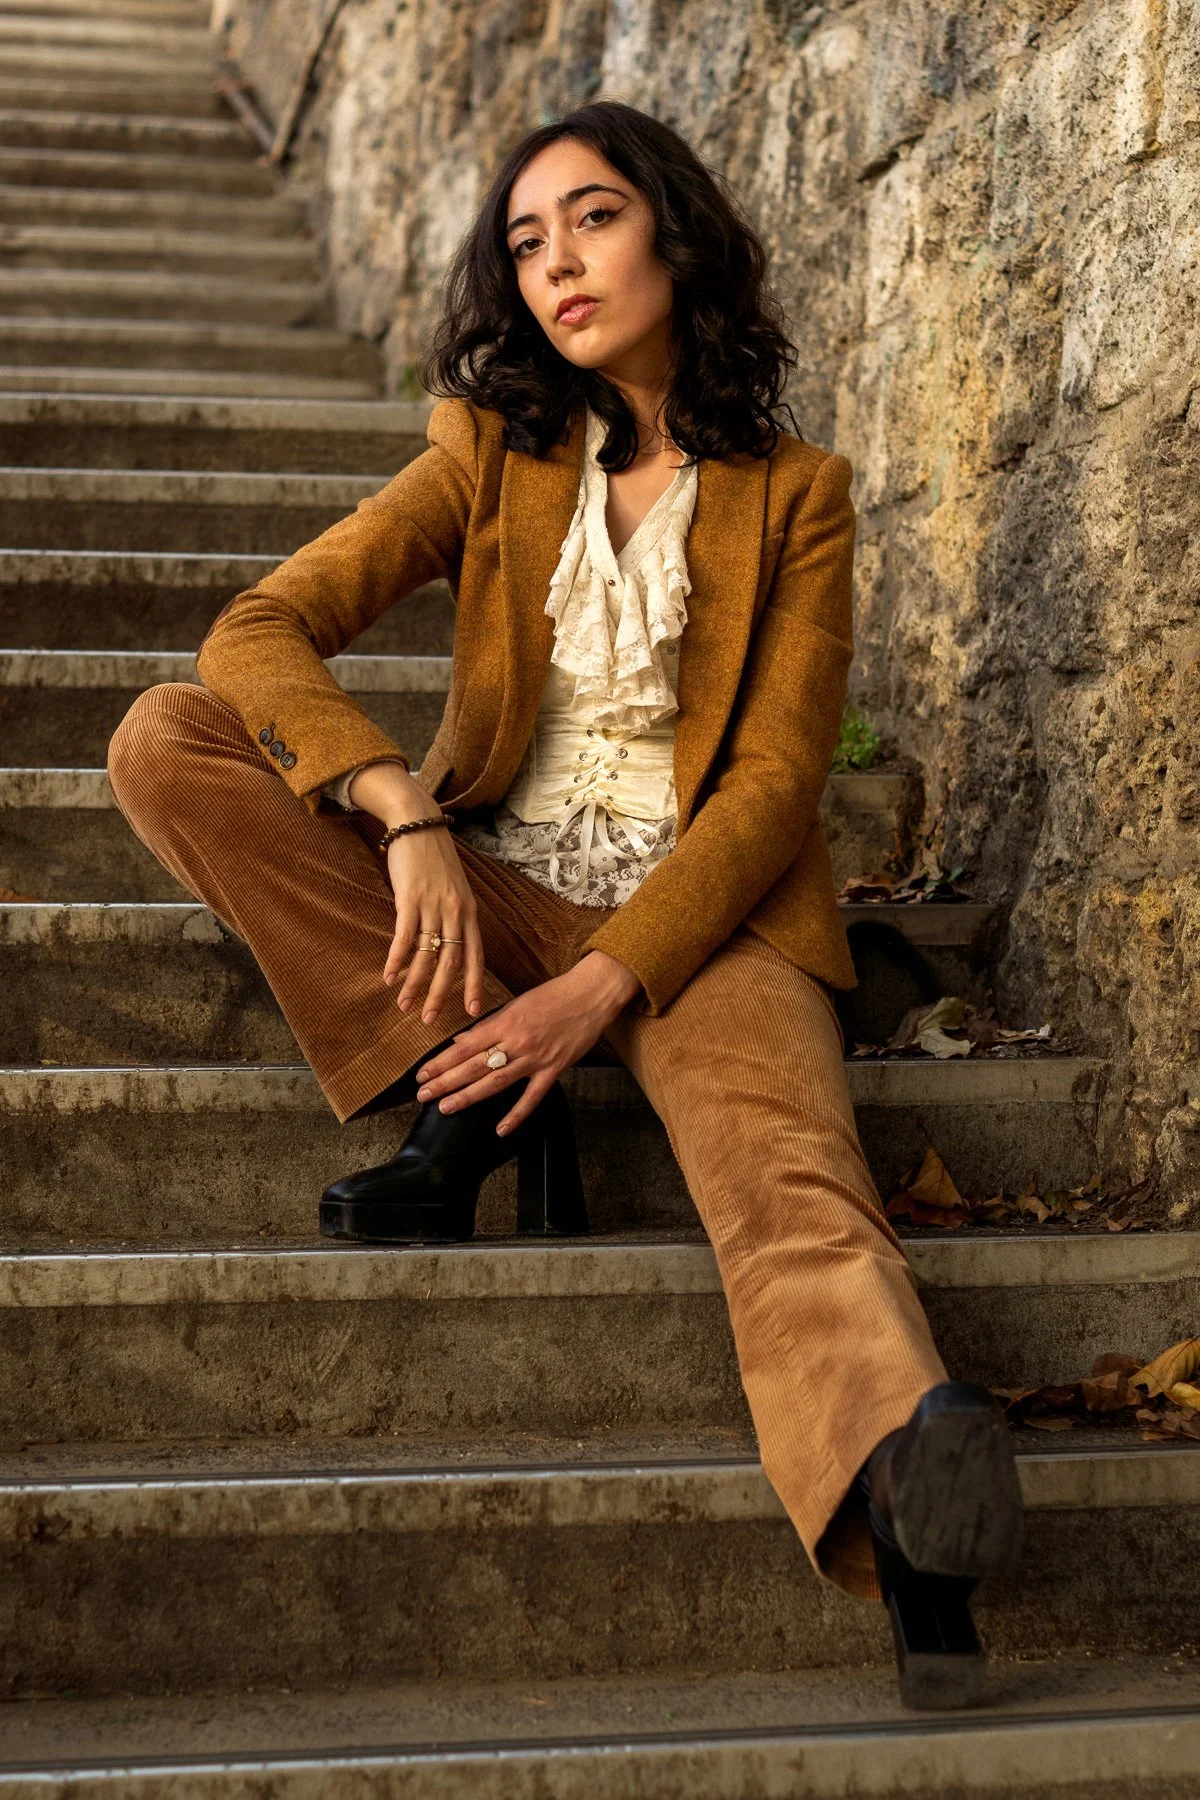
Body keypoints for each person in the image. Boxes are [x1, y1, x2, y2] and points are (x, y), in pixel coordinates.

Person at [107, 99, 1022, 1707]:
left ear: (673, 230)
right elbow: (256, 632)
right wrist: (399, 814)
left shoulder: (798, 493)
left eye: (590, 220)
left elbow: (771, 792)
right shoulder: (491, 452)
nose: (557, 265)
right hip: (483, 891)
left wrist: (606, 983)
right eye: (525, 243)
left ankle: (906, 1499)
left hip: (700, 925)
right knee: (164, 741)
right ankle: (458, 1082)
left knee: (792, 1185)